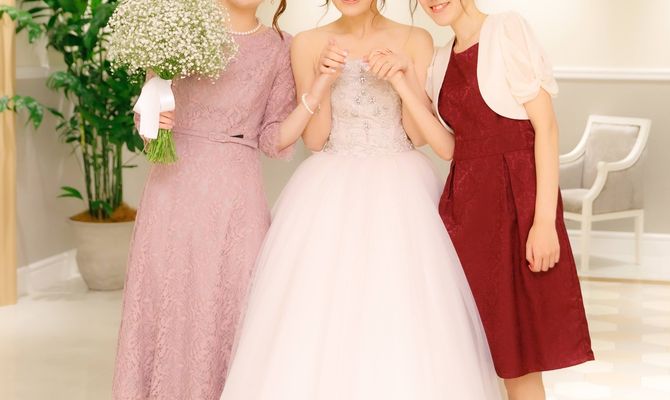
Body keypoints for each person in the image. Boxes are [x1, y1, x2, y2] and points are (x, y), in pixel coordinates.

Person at [219, 1, 500, 399]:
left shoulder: (415, 38)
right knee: (320, 309)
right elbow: (316, 140)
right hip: (328, 189)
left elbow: (418, 136)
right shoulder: (308, 43)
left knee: (403, 304)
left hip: (402, 191)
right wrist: (323, 81)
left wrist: (402, 77)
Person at [112, 0, 331, 398]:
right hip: (173, 188)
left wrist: (314, 94)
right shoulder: (181, 27)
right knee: (165, 298)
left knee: (233, 301)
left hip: (237, 198)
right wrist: (153, 118)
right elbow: (148, 119)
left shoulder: (281, 47)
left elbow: (273, 139)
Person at [399, 1, 595, 398]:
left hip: (517, 210)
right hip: (465, 218)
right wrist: (402, 85)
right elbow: (450, 148)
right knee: (475, 353)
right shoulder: (440, 60)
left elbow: (546, 128)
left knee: (519, 358)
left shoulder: (507, 30)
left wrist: (544, 222)